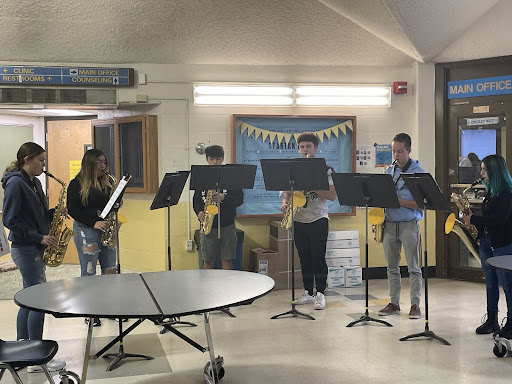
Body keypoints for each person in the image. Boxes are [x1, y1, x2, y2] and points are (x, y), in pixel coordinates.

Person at [1, 142, 66, 373]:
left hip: (33, 245)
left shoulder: (34, 182)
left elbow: (33, 215)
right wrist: (39, 238)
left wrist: (54, 214)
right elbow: (9, 220)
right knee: (37, 302)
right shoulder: (16, 184)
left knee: (29, 300)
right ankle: (36, 358)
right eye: (41, 160)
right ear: (27, 160)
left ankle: (23, 353)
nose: (44, 165)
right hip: (26, 247)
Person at [280, 133, 337, 310]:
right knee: (304, 258)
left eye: (308, 146)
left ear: (315, 148)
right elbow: (287, 192)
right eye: (302, 147)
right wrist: (284, 203)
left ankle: (320, 293)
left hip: (318, 218)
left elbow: (332, 195)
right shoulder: (294, 169)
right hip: (298, 218)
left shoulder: (326, 170)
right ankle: (308, 292)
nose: (305, 150)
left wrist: (312, 185)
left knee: (318, 257)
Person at [462, 154, 512, 337]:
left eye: (484, 169)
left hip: (502, 244)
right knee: (491, 284)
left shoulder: (506, 191)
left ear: (494, 171)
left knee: (508, 285)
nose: (481, 173)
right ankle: (492, 320)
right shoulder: (491, 191)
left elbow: (499, 219)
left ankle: (511, 323)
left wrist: (474, 219)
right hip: (487, 242)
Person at [67, 149, 117, 327]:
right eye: (99, 163)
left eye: (105, 162)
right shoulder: (77, 184)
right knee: (89, 271)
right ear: (89, 164)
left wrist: (117, 197)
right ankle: (90, 311)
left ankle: (111, 308)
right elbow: (72, 209)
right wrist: (93, 223)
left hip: (106, 230)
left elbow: (111, 207)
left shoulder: (107, 183)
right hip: (86, 230)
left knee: (110, 270)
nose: (103, 166)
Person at [378, 133, 425, 319]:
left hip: (409, 224)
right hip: (389, 223)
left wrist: (399, 201)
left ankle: (415, 304)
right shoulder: (389, 171)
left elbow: (422, 204)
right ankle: (394, 302)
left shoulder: (419, 173)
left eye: (400, 151)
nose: (396, 155)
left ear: (409, 150)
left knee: (413, 267)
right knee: (392, 267)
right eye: (394, 151)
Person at [193, 145, 243, 270]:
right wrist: (198, 212)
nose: (215, 162)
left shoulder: (231, 176)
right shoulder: (201, 177)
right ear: (206, 159)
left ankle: (227, 288)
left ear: (223, 158)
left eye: (218, 159)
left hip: (227, 225)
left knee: (227, 259)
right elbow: (196, 199)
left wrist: (224, 197)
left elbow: (239, 200)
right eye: (212, 159)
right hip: (208, 225)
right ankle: (208, 288)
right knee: (208, 260)